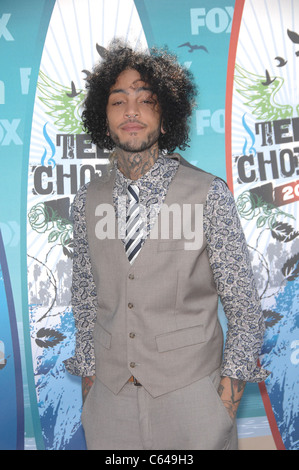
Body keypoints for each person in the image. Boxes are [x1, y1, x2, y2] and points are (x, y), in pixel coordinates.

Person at [64, 39, 269, 450]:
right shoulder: (86, 201)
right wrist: (91, 394)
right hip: (109, 408)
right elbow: (86, 301)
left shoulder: (208, 193)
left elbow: (245, 309)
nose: (132, 111)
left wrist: (223, 406)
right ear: (103, 120)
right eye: (119, 101)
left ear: (165, 116)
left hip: (194, 405)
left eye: (146, 100)